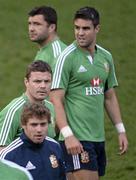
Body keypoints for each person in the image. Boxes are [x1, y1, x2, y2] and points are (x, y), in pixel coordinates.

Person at [50, 6, 128, 180]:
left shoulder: (106, 57)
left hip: (98, 138)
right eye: (77, 28)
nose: (80, 33)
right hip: (76, 138)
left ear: (97, 28)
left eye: (85, 28)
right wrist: (68, 135)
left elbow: (109, 96)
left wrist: (120, 130)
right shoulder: (66, 58)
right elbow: (56, 99)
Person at [0, 103, 66, 180]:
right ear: (23, 125)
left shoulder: (55, 146)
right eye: (34, 125)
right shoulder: (9, 155)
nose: (39, 130)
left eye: (43, 124)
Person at [0, 60, 55, 151]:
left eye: (47, 81)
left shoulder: (51, 108)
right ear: (26, 82)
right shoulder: (13, 111)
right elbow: (2, 150)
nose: (43, 86)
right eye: (37, 81)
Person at [28, 5, 67, 71]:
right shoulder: (44, 50)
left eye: (37, 24)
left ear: (51, 27)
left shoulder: (58, 55)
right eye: (29, 24)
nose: (31, 29)